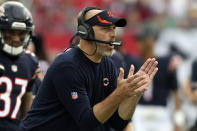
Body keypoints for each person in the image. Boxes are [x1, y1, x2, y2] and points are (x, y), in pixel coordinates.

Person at [20, 6, 158, 131]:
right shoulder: (68, 65)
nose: (113, 34)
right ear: (85, 32)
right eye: (106, 28)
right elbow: (86, 122)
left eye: (113, 28)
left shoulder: (108, 65)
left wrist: (134, 95)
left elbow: (117, 123)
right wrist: (120, 94)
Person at [132, 27, 184, 131]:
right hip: (139, 111)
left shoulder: (166, 63)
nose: (141, 44)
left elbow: (176, 93)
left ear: (153, 40)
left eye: (144, 40)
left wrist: (178, 121)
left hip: (161, 113)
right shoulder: (133, 62)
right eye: (139, 41)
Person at [0, 1, 40, 131]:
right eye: (10, 32)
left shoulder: (30, 61)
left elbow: (27, 102)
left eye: (21, 34)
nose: (16, 39)